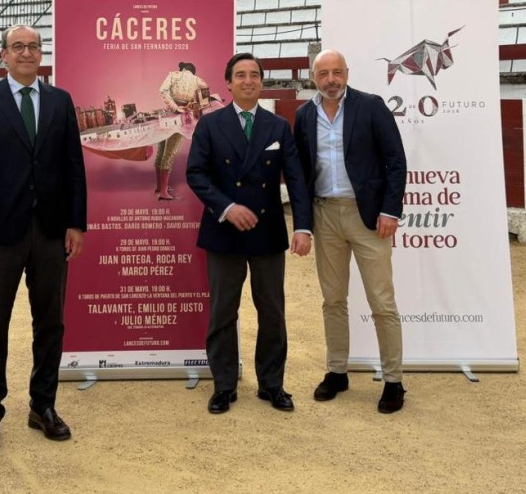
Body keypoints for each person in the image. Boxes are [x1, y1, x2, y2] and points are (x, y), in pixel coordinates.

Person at [0, 24, 87, 456]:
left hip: (51, 232)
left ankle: (43, 406)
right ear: (4, 55)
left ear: (41, 54)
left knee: (50, 323)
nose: (27, 53)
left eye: (33, 46)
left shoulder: (60, 101)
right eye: (18, 47)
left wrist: (76, 223)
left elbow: (73, 166)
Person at [186, 53, 312, 415]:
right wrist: (227, 207)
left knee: (272, 311)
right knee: (223, 311)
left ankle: (272, 384)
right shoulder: (210, 125)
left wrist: (302, 226)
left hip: (266, 231)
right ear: (228, 83)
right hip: (223, 231)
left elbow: (296, 179)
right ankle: (223, 386)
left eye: (254, 75)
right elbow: (196, 174)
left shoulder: (278, 126)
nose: (248, 80)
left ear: (261, 81)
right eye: (240, 75)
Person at [293, 49, 408, 413]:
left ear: (347, 73)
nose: (331, 80)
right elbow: (301, 175)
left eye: (337, 72)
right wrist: (303, 224)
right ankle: (337, 371)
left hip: (368, 216)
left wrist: (390, 210)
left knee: (382, 301)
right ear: (313, 77)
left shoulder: (370, 106)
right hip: (325, 214)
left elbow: (395, 160)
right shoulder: (304, 115)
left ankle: (394, 380)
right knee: (332, 300)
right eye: (323, 74)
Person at [155, 62, 210, 200]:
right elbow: (204, 102)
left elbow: (162, 90)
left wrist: (174, 106)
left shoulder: (173, 75)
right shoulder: (199, 81)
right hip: (181, 118)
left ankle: (160, 187)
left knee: (161, 150)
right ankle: (163, 192)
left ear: (183, 69)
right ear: (193, 71)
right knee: (170, 153)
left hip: (165, 116)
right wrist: (192, 106)